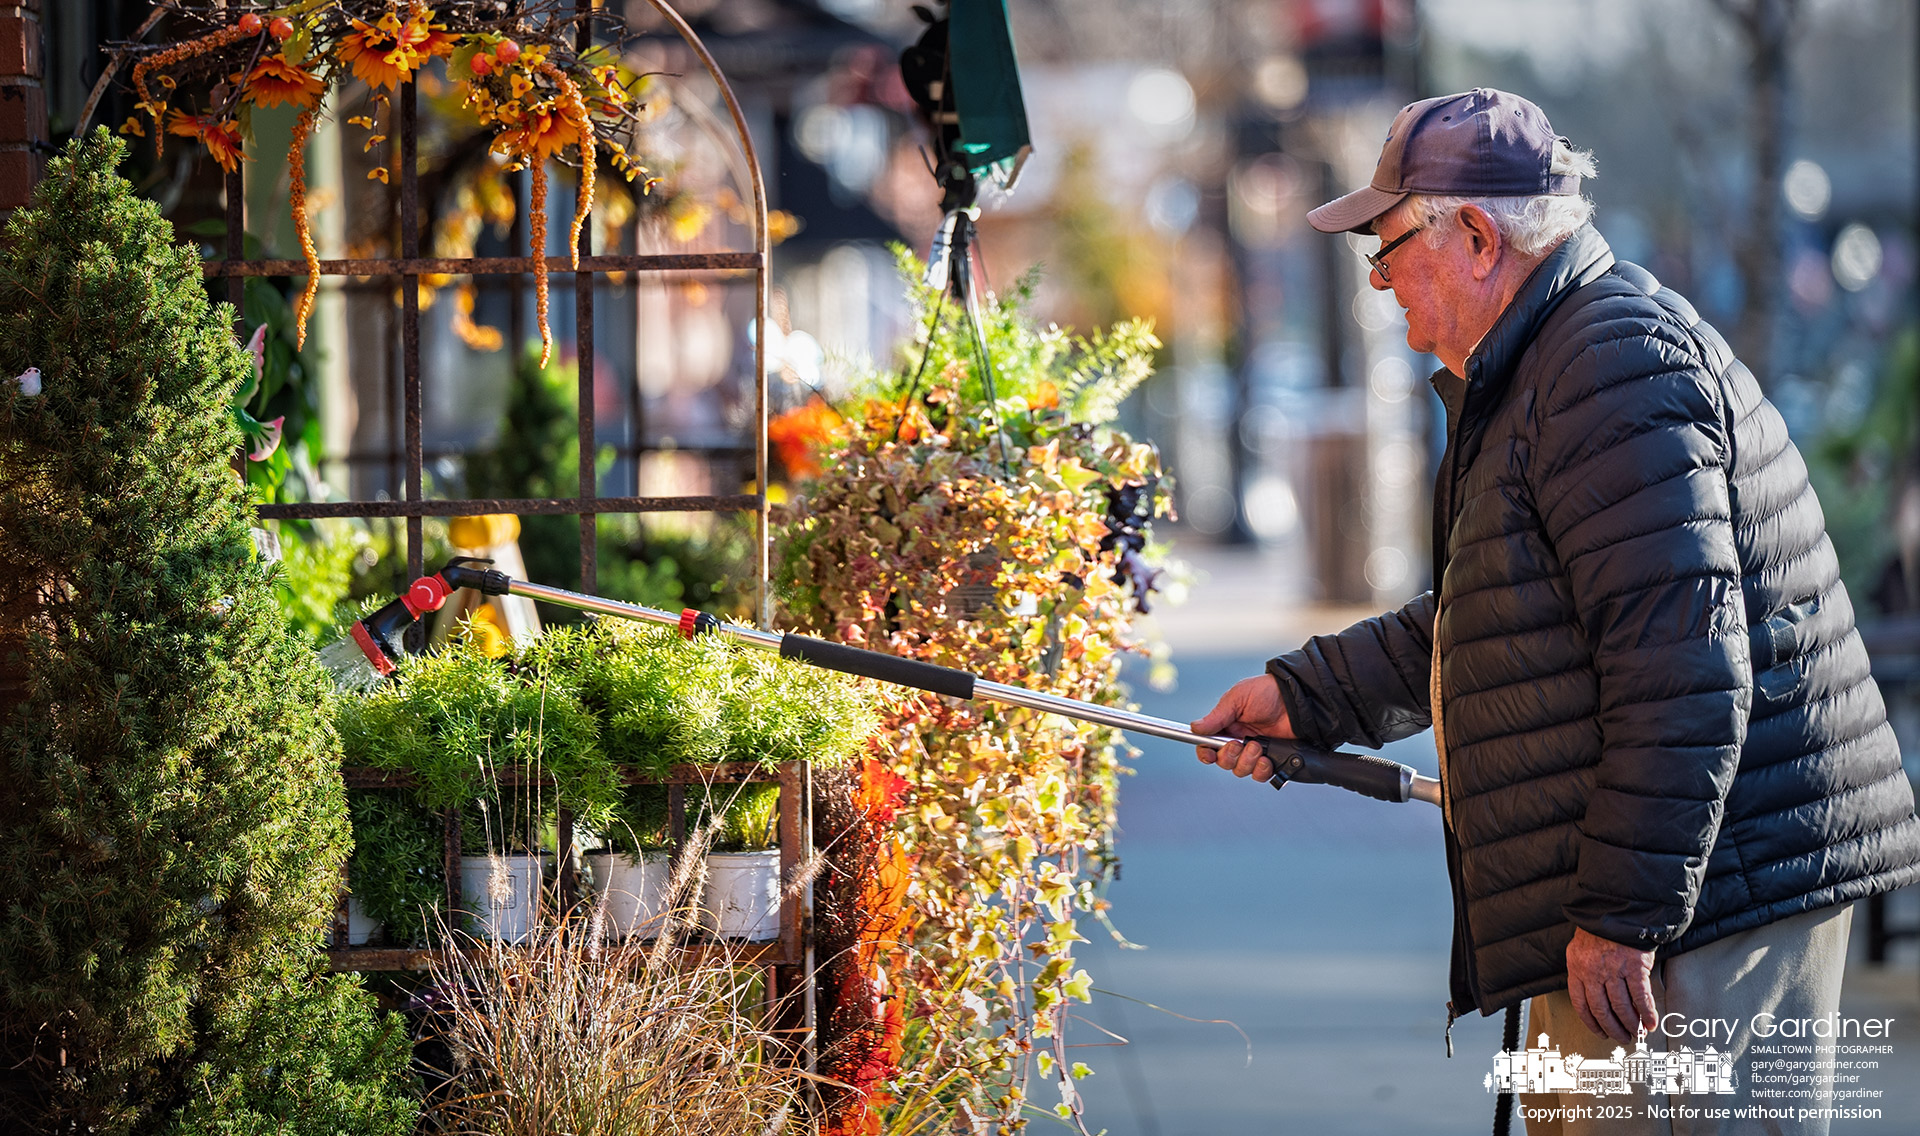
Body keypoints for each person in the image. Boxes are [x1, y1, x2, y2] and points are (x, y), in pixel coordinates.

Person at [1192, 88, 1920, 1136]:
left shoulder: (1605, 366)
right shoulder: (1555, 361)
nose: (1378, 278)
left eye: (1387, 245)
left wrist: (1620, 915)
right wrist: (1308, 695)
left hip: (1705, 908)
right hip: (1682, 889)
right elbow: (1501, 610)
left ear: (1477, 235)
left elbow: (1684, 671)